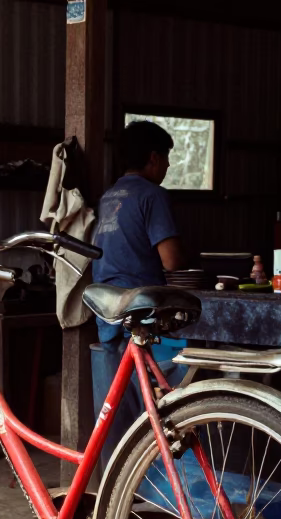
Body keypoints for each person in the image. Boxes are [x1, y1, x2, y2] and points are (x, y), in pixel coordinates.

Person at [90, 121, 188, 462]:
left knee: (121, 410)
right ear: (153, 158)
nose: (169, 167)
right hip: (142, 312)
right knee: (167, 395)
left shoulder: (110, 195)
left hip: (107, 314)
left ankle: (121, 485)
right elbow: (172, 260)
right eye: (167, 159)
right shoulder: (152, 195)